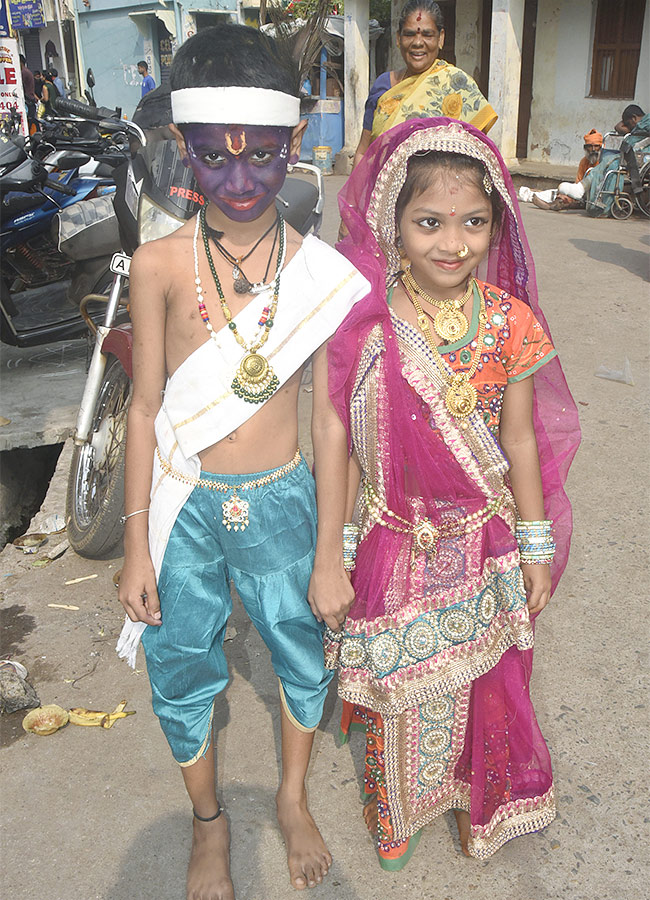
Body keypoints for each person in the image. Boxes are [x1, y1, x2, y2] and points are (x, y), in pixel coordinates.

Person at [116, 23, 369, 899]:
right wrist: (138, 544)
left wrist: (331, 550)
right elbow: (145, 408)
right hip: (184, 509)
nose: (238, 180)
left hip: (283, 503)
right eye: (214, 159)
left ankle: (294, 798)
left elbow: (331, 420)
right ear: (182, 149)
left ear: (293, 147)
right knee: (182, 667)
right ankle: (209, 825)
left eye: (261, 158)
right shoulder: (156, 265)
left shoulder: (318, 274)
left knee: (303, 653)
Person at [325, 117, 580, 870]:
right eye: (428, 222)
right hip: (394, 536)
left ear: (497, 224)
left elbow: (523, 441)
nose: (452, 243)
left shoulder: (510, 323)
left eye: (473, 223)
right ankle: (397, 805)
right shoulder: (370, 322)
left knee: (484, 684)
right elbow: (343, 444)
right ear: (392, 226)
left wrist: (538, 547)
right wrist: (336, 553)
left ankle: (478, 798)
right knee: (395, 691)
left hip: (484, 534)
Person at [352, 0, 496, 169]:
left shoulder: (457, 85)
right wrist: (360, 194)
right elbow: (363, 152)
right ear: (398, 38)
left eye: (427, 35)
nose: (418, 42)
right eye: (409, 34)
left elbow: (478, 156)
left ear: (441, 38)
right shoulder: (383, 86)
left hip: (441, 193)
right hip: (383, 192)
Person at [557, 106, 649, 216]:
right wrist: (629, 123)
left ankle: (585, 189)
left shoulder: (646, 122)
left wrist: (631, 125)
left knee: (613, 161)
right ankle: (586, 190)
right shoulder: (641, 125)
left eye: (628, 124)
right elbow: (618, 127)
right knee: (610, 160)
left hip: (643, 156)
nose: (627, 127)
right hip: (636, 155)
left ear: (634, 118)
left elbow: (621, 128)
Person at [518, 128, 603, 210]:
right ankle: (548, 202)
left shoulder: (603, 162)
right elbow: (578, 182)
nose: (593, 150)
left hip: (594, 195)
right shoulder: (583, 162)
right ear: (585, 148)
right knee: (559, 192)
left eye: (596, 146)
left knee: (564, 195)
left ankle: (553, 204)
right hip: (582, 192)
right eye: (590, 147)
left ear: (601, 147)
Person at [19, 55, 37, 132]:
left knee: (30, 122)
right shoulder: (27, 71)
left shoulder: (23, 72)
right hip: (30, 100)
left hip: (28, 100)